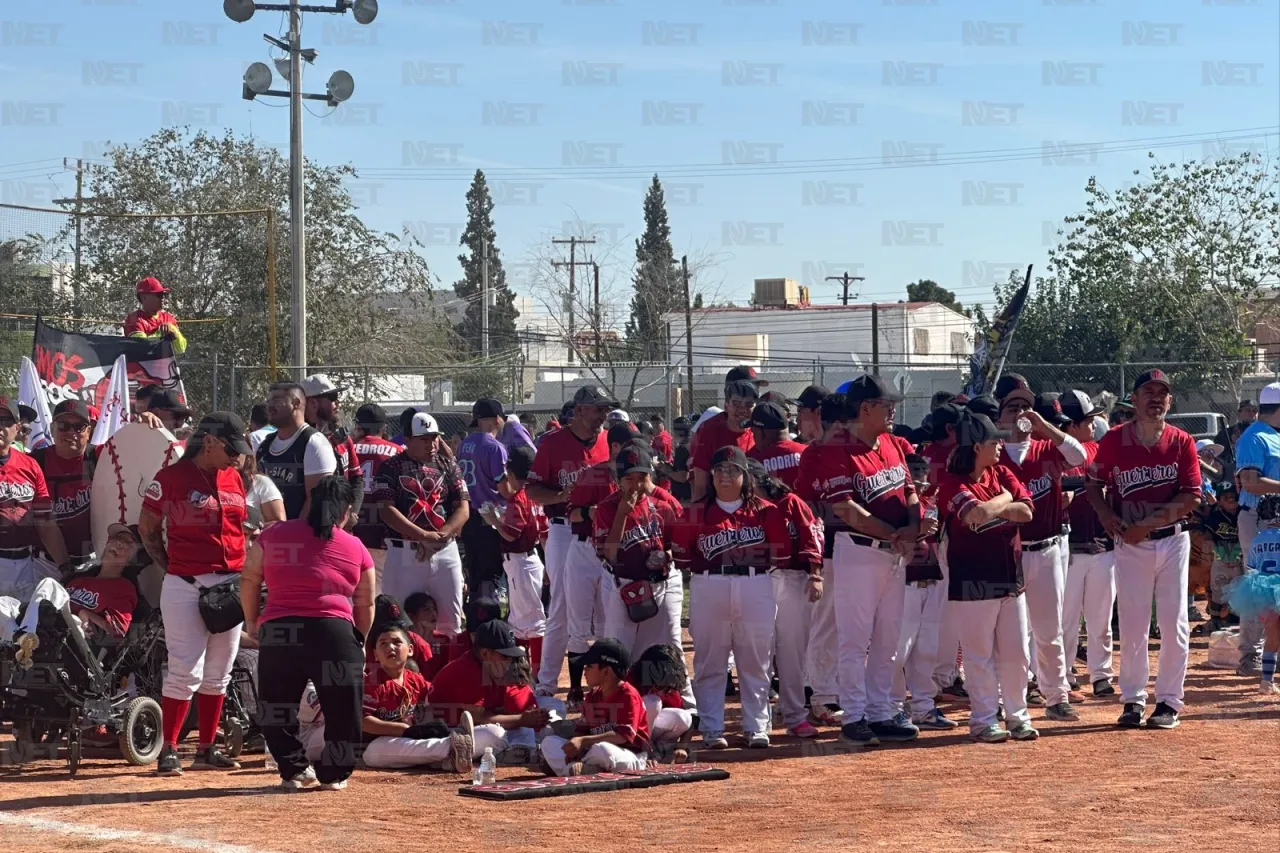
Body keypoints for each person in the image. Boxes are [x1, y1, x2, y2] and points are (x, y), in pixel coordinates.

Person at [241, 476, 375, 790]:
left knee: (276, 705)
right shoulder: (355, 546)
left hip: (280, 627)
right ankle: (333, 774)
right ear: (345, 513)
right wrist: (361, 640)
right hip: (333, 631)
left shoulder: (273, 534)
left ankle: (294, 770)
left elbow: (249, 579)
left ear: (310, 503)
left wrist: (252, 622)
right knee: (344, 709)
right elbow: (366, 601)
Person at [1085, 369, 1201, 730]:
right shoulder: (1115, 441)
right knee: (1134, 626)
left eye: (1162, 393)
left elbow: (1191, 496)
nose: (1156, 398)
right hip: (1130, 545)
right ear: (1132, 400)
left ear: (1170, 401)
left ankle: (1168, 702)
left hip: (1172, 540)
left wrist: (1144, 526)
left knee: (1173, 624)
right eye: (1148, 392)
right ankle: (1133, 700)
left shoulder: (1182, 441)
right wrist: (1106, 515)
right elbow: (1093, 484)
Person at [138, 411, 251, 775]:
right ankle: (169, 748)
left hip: (229, 584)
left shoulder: (234, 477)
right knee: (185, 669)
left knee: (220, 671)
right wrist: (169, 564)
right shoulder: (171, 478)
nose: (237, 457)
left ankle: (206, 748)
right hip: (186, 582)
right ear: (211, 442)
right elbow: (148, 527)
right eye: (231, 449)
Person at [673, 446, 788, 749]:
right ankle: (712, 727)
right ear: (710, 476)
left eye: (733, 470)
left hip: (756, 583)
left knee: (756, 660)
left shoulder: (766, 511)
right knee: (710, 661)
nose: (726, 475)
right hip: (709, 583)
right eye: (719, 470)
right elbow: (683, 559)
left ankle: (756, 726)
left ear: (745, 475)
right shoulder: (696, 512)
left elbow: (780, 554)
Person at [828, 374, 921, 747]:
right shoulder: (840, 449)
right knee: (855, 640)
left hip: (893, 555)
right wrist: (896, 534)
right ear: (865, 409)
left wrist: (912, 528)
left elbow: (910, 491)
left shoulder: (892, 445)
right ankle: (853, 716)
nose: (892, 409)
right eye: (886, 404)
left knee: (887, 639)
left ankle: (880, 711)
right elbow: (846, 510)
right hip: (858, 551)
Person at [935, 411, 1038, 743]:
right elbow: (975, 515)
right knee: (978, 655)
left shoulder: (1002, 472)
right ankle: (983, 720)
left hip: (1010, 574)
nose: (1000, 445)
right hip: (972, 577)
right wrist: (1008, 498)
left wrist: (1002, 501)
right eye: (995, 440)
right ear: (977, 446)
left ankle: (1017, 716)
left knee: (1016, 652)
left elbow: (1027, 511)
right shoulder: (952, 482)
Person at [992, 377, 1087, 720]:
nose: (1021, 412)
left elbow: (1080, 455)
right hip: (1007, 552)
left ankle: (1055, 696)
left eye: (1025, 406)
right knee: (1011, 636)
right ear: (999, 417)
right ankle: (1009, 699)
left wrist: (1044, 425)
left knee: (1049, 631)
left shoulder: (1047, 449)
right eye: (1013, 407)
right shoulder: (993, 455)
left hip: (1046, 550)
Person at [526, 385, 614, 698]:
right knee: (562, 606)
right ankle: (547, 684)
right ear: (578, 411)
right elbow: (532, 489)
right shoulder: (552, 443)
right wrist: (563, 496)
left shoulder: (609, 441)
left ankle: (604, 683)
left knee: (606, 605)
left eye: (605, 409)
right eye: (597, 408)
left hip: (605, 532)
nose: (603, 414)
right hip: (564, 529)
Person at [594, 444, 688, 689]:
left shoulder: (663, 507)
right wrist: (622, 515)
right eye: (629, 478)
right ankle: (622, 701)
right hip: (622, 585)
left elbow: (676, 548)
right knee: (619, 649)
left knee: (668, 645)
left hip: (659, 584)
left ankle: (682, 702)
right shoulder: (607, 508)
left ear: (651, 476)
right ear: (618, 480)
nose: (635, 484)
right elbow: (610, 555)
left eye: (642, 477)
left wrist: (666, 556)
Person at [561, 423, 641, 704]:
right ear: (616, 447)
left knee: (612, 624)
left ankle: (610, 690)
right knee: (579, 622)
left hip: (613, 558)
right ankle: (574, 689)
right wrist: (591, 511)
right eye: (629, 445)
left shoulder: (640, 478)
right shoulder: (593, 475)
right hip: (584, 553)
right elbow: (571, 514)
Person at [372, 410, 469, 637]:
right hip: (404, 552)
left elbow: (463, 508)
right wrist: (423, 536)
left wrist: (440, 536)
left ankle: (445, 671)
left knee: (450, 622)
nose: (431, 444)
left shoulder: (448, 466)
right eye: (424, 439)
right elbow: (386, 510)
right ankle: (409, 673)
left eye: (434, 437)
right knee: (399, 622)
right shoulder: (391, 467)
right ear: (407, 441)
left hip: (444, 550)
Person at [746, 458, 822, 738]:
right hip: (758, 580)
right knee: (758, 652)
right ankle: (758, 720)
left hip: (791, 579)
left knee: (792, 652)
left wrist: (816, 575)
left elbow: (812, 537)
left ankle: (795, 716)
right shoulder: (742, 508)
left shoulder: (791, 502)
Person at [794, 392, 851, 728]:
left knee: (846, 626)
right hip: (828, 545)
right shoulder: (815, 453)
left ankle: (831, 689)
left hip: (855, 546)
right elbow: (808, 506)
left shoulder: (854, 451)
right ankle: (822, 695)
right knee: (826, 622)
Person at [427, 618, 555, 766]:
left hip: (475, 730)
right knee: (495, 734)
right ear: (485, 653)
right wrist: (521, 719)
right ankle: (510, 752)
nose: (509, 660)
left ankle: (520, 752)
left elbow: (500, 709)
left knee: (550, 711)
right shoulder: (466, 670)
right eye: (504, 656)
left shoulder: (494, 668)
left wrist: (531, 716)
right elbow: (478, 717)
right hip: (447, 733)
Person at [1057, 389, 1118, 698]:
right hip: (1068, 548)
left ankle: (1101, 675)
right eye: (1087, 420)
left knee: (1101, 617)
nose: (1093, 425)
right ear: (1071, 425)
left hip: (1101, 544)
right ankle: (1065, 674)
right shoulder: (1056, 454)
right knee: (1066, 619)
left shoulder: (1098, 451)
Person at [890, 454, 957, 730]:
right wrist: (917, 530)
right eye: (913, 471)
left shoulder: (932, 501)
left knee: (927, 649)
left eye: (922, 471)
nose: (919, 477)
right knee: (897, 651)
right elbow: (893, 538)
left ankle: (923, 707)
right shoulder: (894, 504)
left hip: (931, 579)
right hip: (903, 582)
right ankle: (890, 707)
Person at [360, 623, 475, 773]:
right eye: (383, 643)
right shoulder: (371, 683)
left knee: (494, 733)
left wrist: (429, 725)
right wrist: (404, 730)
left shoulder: (416, 680)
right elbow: (363, 722)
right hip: (380, 742)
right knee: (373, 754)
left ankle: (450, 752)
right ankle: (451, 748)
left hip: (412, 742)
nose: (390, 647)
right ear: (375, 654)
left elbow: (434, 702)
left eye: (396, 642)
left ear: (410, 650)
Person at [539, 637, 650, 776]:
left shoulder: (628, 695)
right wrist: (575, 747)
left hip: (629, 755)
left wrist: (584, 741)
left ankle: (570, 769)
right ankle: (583, 769)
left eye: (589, 666)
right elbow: (583, 728)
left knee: (603, 750)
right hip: (591, 752)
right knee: (549, 742)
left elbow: (622, 736)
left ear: (606, 672)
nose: (584, 671)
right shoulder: (593, 695)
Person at [917, 401, 968, 700]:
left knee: (940, 613)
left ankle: (943, 674)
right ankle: (942, 676)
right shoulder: (942, 457)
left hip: (935, 539)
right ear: (949, 429)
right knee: (944, 612)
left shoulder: (926, 453)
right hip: (939, 541)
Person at [482, 445, 547, 677]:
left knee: (531, 620)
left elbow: (511, 533)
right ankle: (526, 671)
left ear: (511, 472)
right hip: (529, 560)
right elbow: (544, 531)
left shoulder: (519, 498)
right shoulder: (536, 493)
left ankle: (536, 674)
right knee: (521, 618)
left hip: (521, 562)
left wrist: (494, 521)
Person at [1231, 382, 1280, 675]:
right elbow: (1250, 482)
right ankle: (1250, 655)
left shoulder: (1274, 435)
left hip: (1275, 519)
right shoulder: (1254, 436)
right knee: (1258, 588)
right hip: (1258, 519)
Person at [0, 398, 69, 599]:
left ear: (17, 428)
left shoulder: (29, 465)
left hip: (24, 562)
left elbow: (45, 521)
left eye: (6, 422)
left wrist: (64, 566)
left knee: (23, 626)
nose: (1, 427)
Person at [30, 400, 98, 574]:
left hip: (91, 560)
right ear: (52, 429)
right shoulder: (36, 462)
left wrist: (146, 421)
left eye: (79, 427)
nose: (71, 432)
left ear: (88, 432)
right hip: (45, 563)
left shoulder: (98, 458)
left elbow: (133, 448)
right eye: (63, 425)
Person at [256, 383, 337, 520]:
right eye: (268, 401)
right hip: (269, 535)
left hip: (299, 536)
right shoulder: (265, 445)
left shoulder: (314, 443)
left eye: (276, 401)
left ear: (296, 403)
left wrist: (292, 533)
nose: (269, 407)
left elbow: (316, 501)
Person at [1225, 495, 1280, 695]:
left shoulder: (1258, 538)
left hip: (1262, 591)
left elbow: (1252, 568)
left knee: (1271, 637)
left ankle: (1266, 681)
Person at [458, 398, 510, 601]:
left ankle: (476, 622)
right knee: (493, 578)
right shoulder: (494, 447)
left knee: (476, 578)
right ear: (497, 419)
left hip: (469, 516)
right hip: (490, 520)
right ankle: (491, 622)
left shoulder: (464, 444)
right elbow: (504, 489)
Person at [300, 375, 363, 523]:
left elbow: (356, 478)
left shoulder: (342, 438)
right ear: (312, 403)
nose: (338, 403)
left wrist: (351, 512)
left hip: (341, 523)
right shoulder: (299, 441)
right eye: (332, 397)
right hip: (311, 527)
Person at [689, 380, 758, 502]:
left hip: (752, 506)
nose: (742, 409)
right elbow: (700, 485)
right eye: (736, 403)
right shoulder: (710, 432)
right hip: (718, 506)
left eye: (749, 404)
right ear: (726, 406)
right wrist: (698, 516)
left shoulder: (760, 432)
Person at [627, 643, 694, 760]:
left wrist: (682, 747)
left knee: (684, 717)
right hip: (628, 732)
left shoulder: (667, 688)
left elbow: (689, 723)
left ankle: (661, 748)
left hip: (650, 733)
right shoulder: (629, 680)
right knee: (652, 702)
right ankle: (642, 750)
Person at [1202, 485, 1242, 634]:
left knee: (1240, 590)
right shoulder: (1216, 516)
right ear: (1219, 500)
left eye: (1233, 495)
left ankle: (1237, 619)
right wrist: (1216, 555)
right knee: (1217, 589)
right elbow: (1207, 538)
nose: (1230, 498)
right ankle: (1215, 620)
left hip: (1239, 557)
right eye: (1226, 496)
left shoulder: (1244, 514)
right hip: (1220, 556)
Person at [747, 400, 806, 490]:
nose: (753, 435)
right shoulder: (806, 453)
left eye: (753, 430)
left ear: (762, 433)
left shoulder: (751, 461)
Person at [124, 276, 187, 355]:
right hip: (143, 367)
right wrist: (160, 332)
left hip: (165, 366)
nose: (163, 298)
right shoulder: (135, 319)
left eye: (164, 294)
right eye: (159, 294)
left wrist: (173, 331)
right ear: (144, 298)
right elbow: (142, 349)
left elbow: (181, 349)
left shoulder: (168, 318)